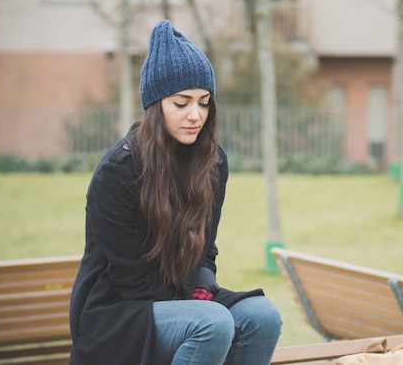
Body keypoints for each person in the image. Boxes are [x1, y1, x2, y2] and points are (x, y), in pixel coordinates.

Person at [69, 20, 282, 365]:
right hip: (117, 313)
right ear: (155, 106)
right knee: (211, 323)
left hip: (182, 297)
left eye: (204, 102)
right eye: (181, 103)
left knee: (263, 316)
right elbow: (130, 277)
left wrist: (200, 292)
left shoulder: (213, 163)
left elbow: (205, 250)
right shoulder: (118, 171)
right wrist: (197, 305)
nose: (195, 115)